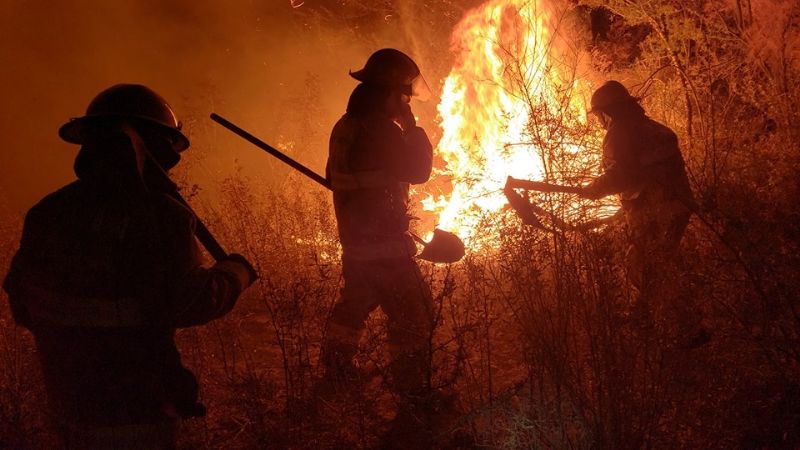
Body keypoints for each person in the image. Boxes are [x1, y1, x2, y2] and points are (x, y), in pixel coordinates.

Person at [3, 84, 257, 449]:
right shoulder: (161, 215)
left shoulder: (48, 211)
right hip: (138, 407)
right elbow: (187, 302)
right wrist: (235, 274)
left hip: (68, 402)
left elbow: (22, 303)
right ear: (156, 149)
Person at [507, 80, 707, 345]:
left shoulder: (620, 132)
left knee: (645, 266)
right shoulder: (651, 127)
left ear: (607, 112)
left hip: (656, 212)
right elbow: (644, 174)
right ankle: (651, 321)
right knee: (658, 264)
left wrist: (594, 189)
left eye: (599, 115)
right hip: (678, 207)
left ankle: (681, 329)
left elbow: (622, 176)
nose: (599, 122)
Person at [319, 48, 440, 446]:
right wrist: (412, 126)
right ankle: (413, 393)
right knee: (414, 316)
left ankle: (335, 370)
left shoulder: (346, 124)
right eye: (404, 95)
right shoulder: (384, 128)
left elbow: (334, 175)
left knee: (352, 306)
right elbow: (419, 171)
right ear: (390, 93)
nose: (406, 101)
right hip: (385, 245)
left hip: (356, 240)